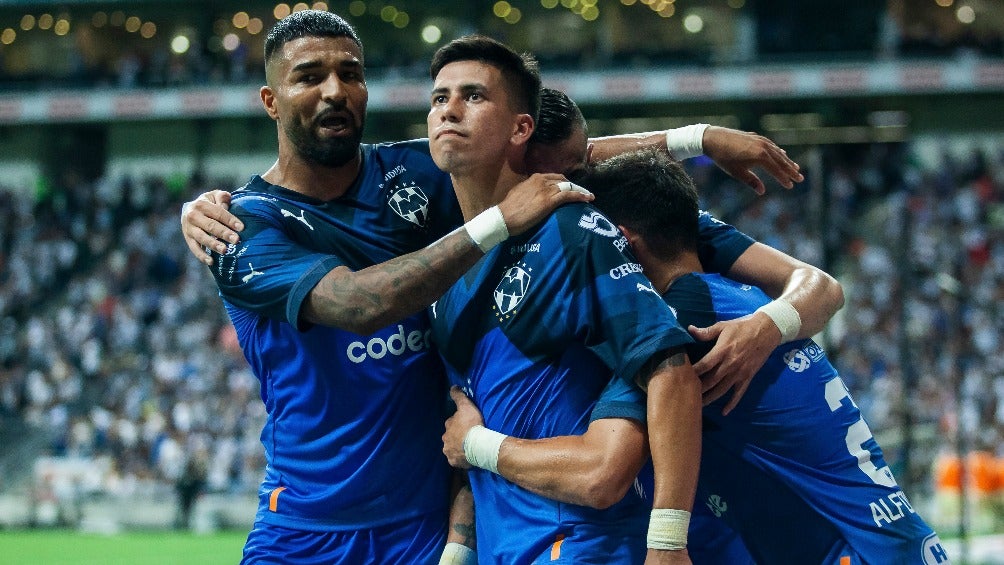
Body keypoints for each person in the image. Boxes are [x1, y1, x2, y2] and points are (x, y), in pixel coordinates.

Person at [197, 10, 596, 564]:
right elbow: (360, 304)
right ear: (271, 100)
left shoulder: (413, 172)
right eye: (310, 76)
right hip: (304, 528)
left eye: (351, 74)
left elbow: (551, 158)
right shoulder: (241, 226)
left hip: (422, 528)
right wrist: (498, 219)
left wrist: (695, 137)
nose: (336, 91)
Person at [443, 148, 949, 564]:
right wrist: (696, 136)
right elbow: (820, 286)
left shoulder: (683, 323)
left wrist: (477, 444)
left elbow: (601, 473)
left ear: (621, 243)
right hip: (894, 543)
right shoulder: (737, 296)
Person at [425, 35, 700, 564]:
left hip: (580, 548)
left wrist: (667, 542)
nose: (449, 110)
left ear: (520, 128)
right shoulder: (446, 265)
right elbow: (467, 427)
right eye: (439, 98)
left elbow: (672, 372)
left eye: (473, 97)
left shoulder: (572, 231)